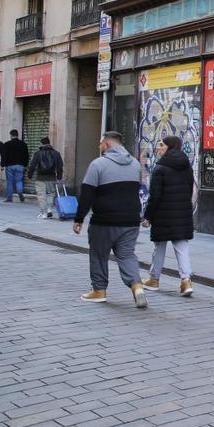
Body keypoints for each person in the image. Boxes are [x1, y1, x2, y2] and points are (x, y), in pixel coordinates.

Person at [73, 132, 147, 308]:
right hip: (130, 220)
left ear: (106, 144)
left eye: (100, 144)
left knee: (99, 255)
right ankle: (137, 286)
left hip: (104, 220)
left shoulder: (98, 164)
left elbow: (87, 194)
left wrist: (79, 218)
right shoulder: (136, 164)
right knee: (127, 254)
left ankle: (99, 291)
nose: (99, 148)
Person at [140, 136, 196, 297]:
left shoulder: (160, 168)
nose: (158, 148)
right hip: (182, 212)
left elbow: (155, 196)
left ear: (170, 147)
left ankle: (154, 279)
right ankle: (186, 281)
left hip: (163, 213)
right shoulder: (187, 166)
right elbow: (189, 188)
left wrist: (148, 216)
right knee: (182, 247)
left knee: (159, 246)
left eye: (161, 145)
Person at [27, 138, 64, 219]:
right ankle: (49, 209)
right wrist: (59, 177)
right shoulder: (56, 153)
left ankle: (43, 213)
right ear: (49, 143)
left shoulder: (38, 153)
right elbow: (60, 166)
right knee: (50, 194)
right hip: (52, 178)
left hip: (40, 178)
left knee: (41, 195)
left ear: (41, 144)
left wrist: (29, 175)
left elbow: (32, 165)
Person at [1, 129, 30, 204]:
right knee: (19, 180)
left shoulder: (6, 144)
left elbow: (4, 156)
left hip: (9, 165)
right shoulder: (23, 144)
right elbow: (26, 155)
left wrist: (2, 165)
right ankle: (20, 192)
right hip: (20, 165)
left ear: (11, 135)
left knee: (10, 182)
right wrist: (25, 165)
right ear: (18, 135)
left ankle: (9, 198)